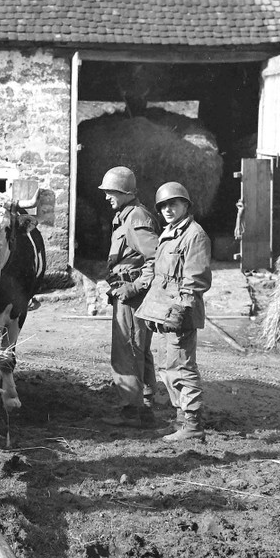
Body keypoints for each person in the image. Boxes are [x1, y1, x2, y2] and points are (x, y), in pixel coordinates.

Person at [135, 182, 212, 441]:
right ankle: (181, 422)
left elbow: (197, 279)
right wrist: (153, 310)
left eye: (173, 204)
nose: (168, 209)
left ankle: (192, 425)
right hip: (164, 312)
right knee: (168, 368)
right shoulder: (169, 233)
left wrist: (179, 309)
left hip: (181, 313)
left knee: (182, 367)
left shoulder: (194, 235)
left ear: (185, 206)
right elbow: (160, 275)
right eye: (164, 206)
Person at [97, 166, 162, 428]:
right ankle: (144, 405)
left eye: (111, 191)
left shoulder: (135, 218)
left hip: (132, 297)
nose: (106, 197)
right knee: (138, 349)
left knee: (128, 351)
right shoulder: (127, 216)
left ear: (125, 192)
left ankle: (131, 412)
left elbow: (157, 258)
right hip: (128, 294)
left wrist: (135, 287)